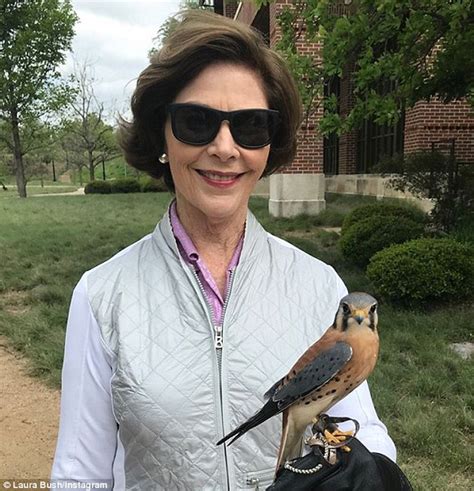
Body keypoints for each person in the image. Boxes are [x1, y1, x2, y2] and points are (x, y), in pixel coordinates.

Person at [51, 10, 396, 490]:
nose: (225, 147)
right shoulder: (101, 296)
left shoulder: (322, 286)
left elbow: (364, 429)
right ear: (161, 138)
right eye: (196, 122)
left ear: (268, 146)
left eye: (251, 126)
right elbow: (79, 476)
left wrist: (373, 470)